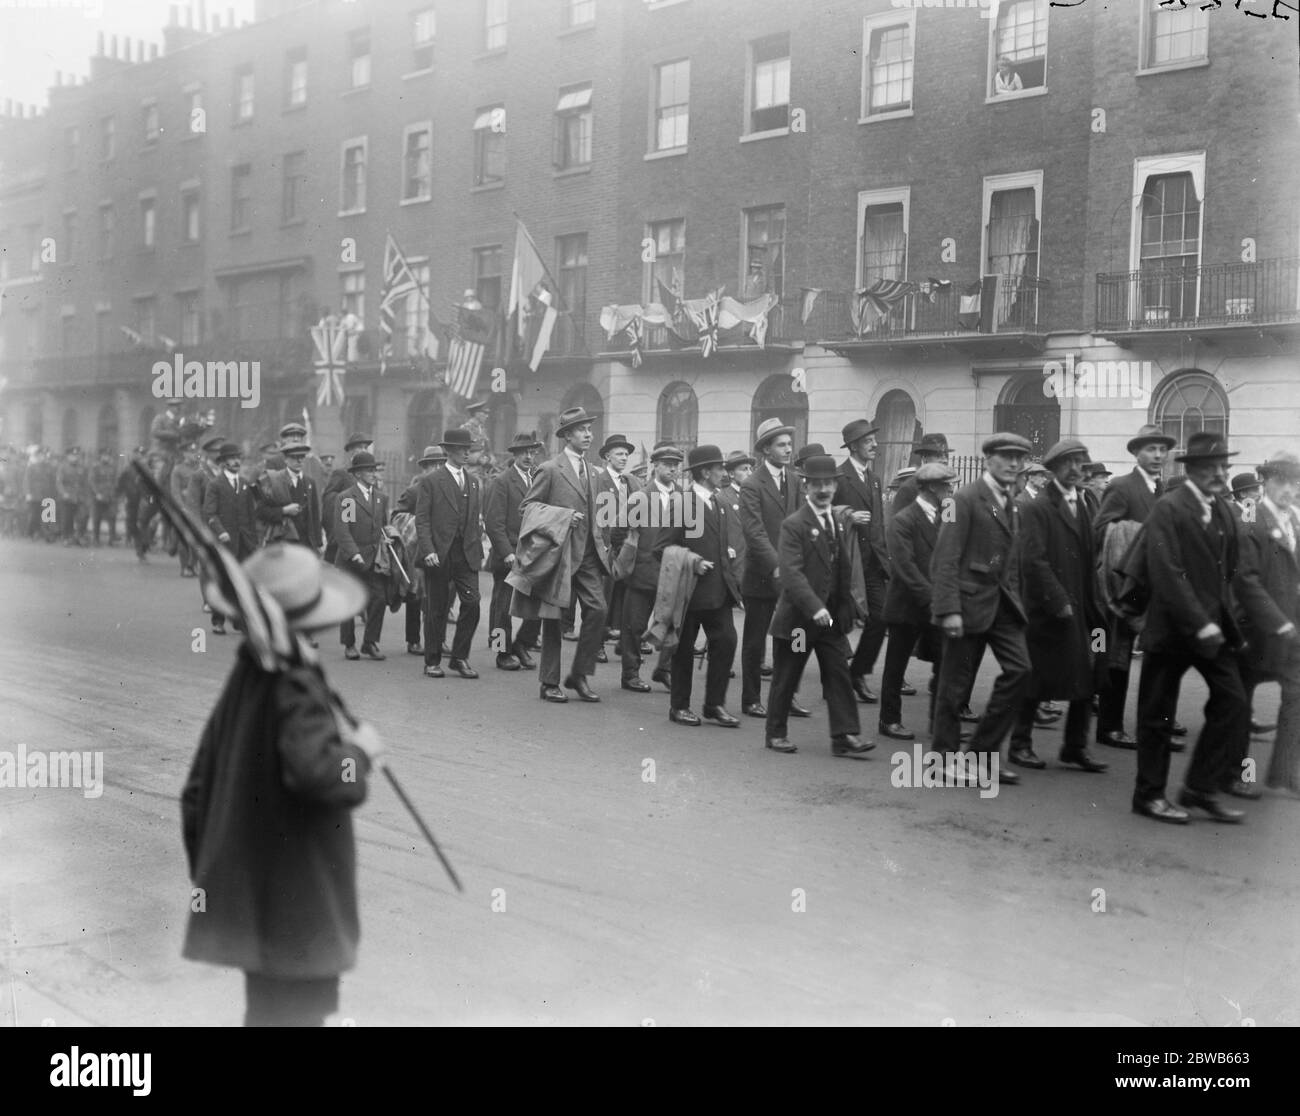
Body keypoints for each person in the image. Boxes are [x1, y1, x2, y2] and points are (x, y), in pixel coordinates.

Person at [181, 543, 384, 1027]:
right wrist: (360, 754)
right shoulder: (296, 681)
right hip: (302, 910)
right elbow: (319, 774)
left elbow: (195, 795)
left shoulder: (248, 672)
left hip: (260, 909)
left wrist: (226, 879)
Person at [1132, 432, 1252, 824]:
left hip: (1211, 629)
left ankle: (1199, 788)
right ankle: (1149, 796)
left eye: (1223, 467)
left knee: (1233, 701)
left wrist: (1224, 617)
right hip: (1171, 630)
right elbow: (1166, 571)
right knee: (1157, 715)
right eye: (1212, 468)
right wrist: (1199, 622)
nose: (1220, 474)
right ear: (1194, 471)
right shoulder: (1169, 507)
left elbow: (1230, 568)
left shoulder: (1224, 509)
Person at [930, 432, 1035, 787]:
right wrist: (949, 610)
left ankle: (979, 756)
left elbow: (1010, 560)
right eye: (1006, 457)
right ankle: (942, 759)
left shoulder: (1010, 501)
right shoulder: (964, 498)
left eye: (1019, 458)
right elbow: (945, 558)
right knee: (954, 687)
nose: (1014, 464)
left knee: (1020, 671)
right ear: (988, 459)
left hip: (1002, 605)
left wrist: (1018, 599)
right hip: (967, 603)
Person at [1008, 439, 1109, 774]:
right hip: (1049, 609)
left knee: (1090, 671)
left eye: (1082, 463)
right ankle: (1020, 744)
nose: (1078, 469)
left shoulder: (1083, 503)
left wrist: (1094, 602)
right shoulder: (1037, 507)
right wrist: (1058, 600)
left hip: (1085, 607)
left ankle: (1075, 747)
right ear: (1053, 469)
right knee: (1037, 677)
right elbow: (1033, 560)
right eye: (1070, 463)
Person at [765, 454, 872, 758]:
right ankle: (775, 734)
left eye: (829, 483)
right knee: (788, 674)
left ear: (836, 486)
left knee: (838, 674)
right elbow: (791, 573)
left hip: (830, 622)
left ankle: (845, 737)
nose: (824, 490)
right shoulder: (794, 524)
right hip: (799, 621)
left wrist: (846, 608)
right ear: (806, 486)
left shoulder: (835, 520)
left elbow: (842, 568)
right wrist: (815, 607)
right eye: (817, 484)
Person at [519, 406, 611, 704]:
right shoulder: (549, 469)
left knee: (598, 610)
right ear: (567, 435)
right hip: (560, 555)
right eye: (582, 430)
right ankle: (549, 683)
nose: (588, 434)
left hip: (588, 555)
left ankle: (579, 674)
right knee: (555, 620)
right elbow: (528, 509)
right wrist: (561, 517)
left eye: (589, 429)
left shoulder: (594, 472)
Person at [1093, 424, 1177, 751]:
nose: (1158, 455)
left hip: (1151, 584)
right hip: (1122, 583)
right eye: (1150, 449)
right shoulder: (1122, 487)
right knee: (1117, 656)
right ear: (1135, 453)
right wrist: (1136, 535)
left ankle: (1151, 730)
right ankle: (1109, 727)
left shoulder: (1162, 488)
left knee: (1152, 659)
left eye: (1162, 450)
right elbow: (1101, 529)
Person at [655, 445, 741, 728]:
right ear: (705, 472)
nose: (723, 473)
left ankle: (714, 704)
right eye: (719, 469)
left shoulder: (719, 503)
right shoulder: (682, 504)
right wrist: (692, 562)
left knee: (726, 642)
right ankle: (679, 706)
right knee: (683, 650)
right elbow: (661, 548)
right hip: (689, 592)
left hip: (718, 592)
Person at [1232, 451, 1300, 797]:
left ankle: (1285, 775)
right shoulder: (1251, 520)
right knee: (1241, 704)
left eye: (1295, 482)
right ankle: (1241, 774)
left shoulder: (1295, 524)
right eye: (1282, 481)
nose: (1289, 489)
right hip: (1254, 630)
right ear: (1266, 483)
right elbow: (1246, 580)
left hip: (1289, 631)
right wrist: (1278, 621)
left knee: (1296, 696)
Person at [879, 463, 954, 741]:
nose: (951, 490)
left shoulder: (947, 515)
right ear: (932, 488)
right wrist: (933, 598)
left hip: (935, 602)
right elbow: (905, 567)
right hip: (907, 605)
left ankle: (941, 723)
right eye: (947, 486)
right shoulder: (904, 520)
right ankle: (889, 720)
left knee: (945, 662)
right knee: (896, 666)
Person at [739, 418, 803, 718]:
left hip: (791, 572)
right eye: (781, 445)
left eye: (789, 444)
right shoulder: (752, 484)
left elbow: (801, 524)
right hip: (762, 576)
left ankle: (786, 696)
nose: (788, 449)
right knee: (755, 641)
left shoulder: (796, 480)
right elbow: (754, 532)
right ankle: (751, 698)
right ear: (767, 449)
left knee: (791, 639)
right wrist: (778, 567)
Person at [415, 428, 483, 680]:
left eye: (469, 449)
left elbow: (475, 520)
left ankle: (459, 657)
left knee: (472, 603)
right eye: (462, 449)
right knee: (437, 609)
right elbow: (421, 520)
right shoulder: (431, 481)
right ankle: (432, 661)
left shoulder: (475, 482)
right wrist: (428, 550)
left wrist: (477, 546)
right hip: (439, 554)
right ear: (449, 451)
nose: (468, 453)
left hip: (466, 555)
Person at [618, 443, 684, 692]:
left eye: (675, 465)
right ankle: (630, 674)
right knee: (634, 625)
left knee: (672, 624)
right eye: (667, 464)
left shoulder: (683, 497)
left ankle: (664, 670)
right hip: (643, 571)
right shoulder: (641, 496)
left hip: (672, 572)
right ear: (654, 466)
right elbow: (619, 531)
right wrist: (627, 561)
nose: (672, 469)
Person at [836, 419, 891, 704]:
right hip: (845, 563)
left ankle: (856, 672)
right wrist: (847, 515)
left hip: (871, 563)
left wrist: (885, 559)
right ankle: (831, 679)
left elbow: (879, 521)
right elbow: (820, 510)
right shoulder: (838, 477)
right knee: (836, 622)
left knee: (880, 618)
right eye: (868, 442)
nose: (875, 446)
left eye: (873, 441)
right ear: (854, 446)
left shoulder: (875, 478)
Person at [484, 433, 543, 671]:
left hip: (534, 554)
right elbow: (493, 523)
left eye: (532, 452)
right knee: (503, 608)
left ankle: (522, 644)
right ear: (515, 455)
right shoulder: (502, 482)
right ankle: (502, 652)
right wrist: (506, 553)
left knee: (539, 603)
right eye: (524, 453)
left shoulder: (538, 479)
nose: (529, 457)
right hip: (509, 555)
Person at [332, 451, 392, 662]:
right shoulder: (347, 498)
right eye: (368, 470)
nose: (373, 474)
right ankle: (349, 644)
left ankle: (370, 642)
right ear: (357, 474)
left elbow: (383, 526)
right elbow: (342, 531)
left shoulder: (381, 498)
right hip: (351, 559)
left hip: (373, 558)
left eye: (374, 470)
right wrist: (354, 553)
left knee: (379, 598)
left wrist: (388, 537)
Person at [203, 442, 258, 634]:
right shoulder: (215, 484)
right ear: (224, 462)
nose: (236, 462)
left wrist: (255, 540)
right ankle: (218, 620)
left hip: (245, 543)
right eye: (231, 459)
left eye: (238, 458)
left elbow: (251, 515)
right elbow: (210, 514)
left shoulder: (244, 484)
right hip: (225, 543)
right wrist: (221, 531)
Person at [593, 433, 640, 658]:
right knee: (603, 596)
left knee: (626, 595)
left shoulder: (632, 482)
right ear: (607, 456)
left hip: (627, 546)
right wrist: (601, 546)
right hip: (606, 547)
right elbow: (596, 517)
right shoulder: (598, 481)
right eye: (619, 454)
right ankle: (598, 644)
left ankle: (623, 640)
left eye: (626, 454)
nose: (623, 458)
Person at [256, 441, 321, 551]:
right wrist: (283, 511)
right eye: (295, 457)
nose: (299, 460)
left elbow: (314, 514)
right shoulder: (274, 480)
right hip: (282, 542)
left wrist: (318, 543)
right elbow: (261, 512)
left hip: (306, 543)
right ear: (285, 460)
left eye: (302, 457)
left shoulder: (310, 482)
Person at [322, 432, 374, 563]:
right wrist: (350, 505)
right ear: (350, 451)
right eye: (359, 447)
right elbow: (329, 498)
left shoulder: (368, 476)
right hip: (345, 534)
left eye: (365, 447)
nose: (363, 450)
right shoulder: (341, 473)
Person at [892, 433, 950, 514]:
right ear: (924, 458)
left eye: (946, 455)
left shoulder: (947, 489)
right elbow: (898, 524)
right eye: (938, 455)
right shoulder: (908, 489)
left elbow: (950, 522)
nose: (945, 460)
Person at [55, 446, 89, 547]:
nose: (75, 457)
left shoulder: (82, 467)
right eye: (73, 455)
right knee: (67, 519)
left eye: (76, 455)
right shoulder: (63, 467)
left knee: (83, 517)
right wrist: (63, 493)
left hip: (79, 497)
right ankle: (67, 538)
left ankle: (80, 536)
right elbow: (59, 482)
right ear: (68, 456)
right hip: (67, 497)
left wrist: (85, 495)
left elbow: (85, 483)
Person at [89, 447, 119, 546]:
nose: (106, 458)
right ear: (101, 456)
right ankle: (96, 539)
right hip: (99, 496)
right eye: (105, 456)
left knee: (112, 517)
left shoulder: (112, 467)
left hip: (110, 495)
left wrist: (114, 492)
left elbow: (115, 481)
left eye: (108, 456)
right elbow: (92, 481)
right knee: (97, 518)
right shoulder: (96, 467)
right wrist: (97, 493)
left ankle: (112, 539)